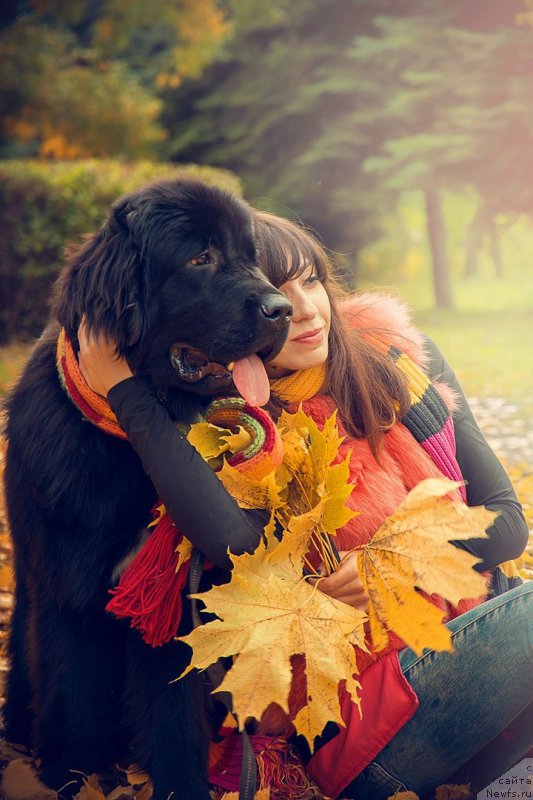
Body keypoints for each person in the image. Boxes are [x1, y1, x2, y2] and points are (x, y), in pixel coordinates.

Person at [78, 209, 532, 800]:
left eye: (311, 280)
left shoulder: (393, 363)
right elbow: (234, 544)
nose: (306, 310)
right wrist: (127, 394)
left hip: (469, 653)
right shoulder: (236, 428)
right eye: (276, 295)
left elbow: (505, 524)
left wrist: (392, 566)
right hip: (360, 729)